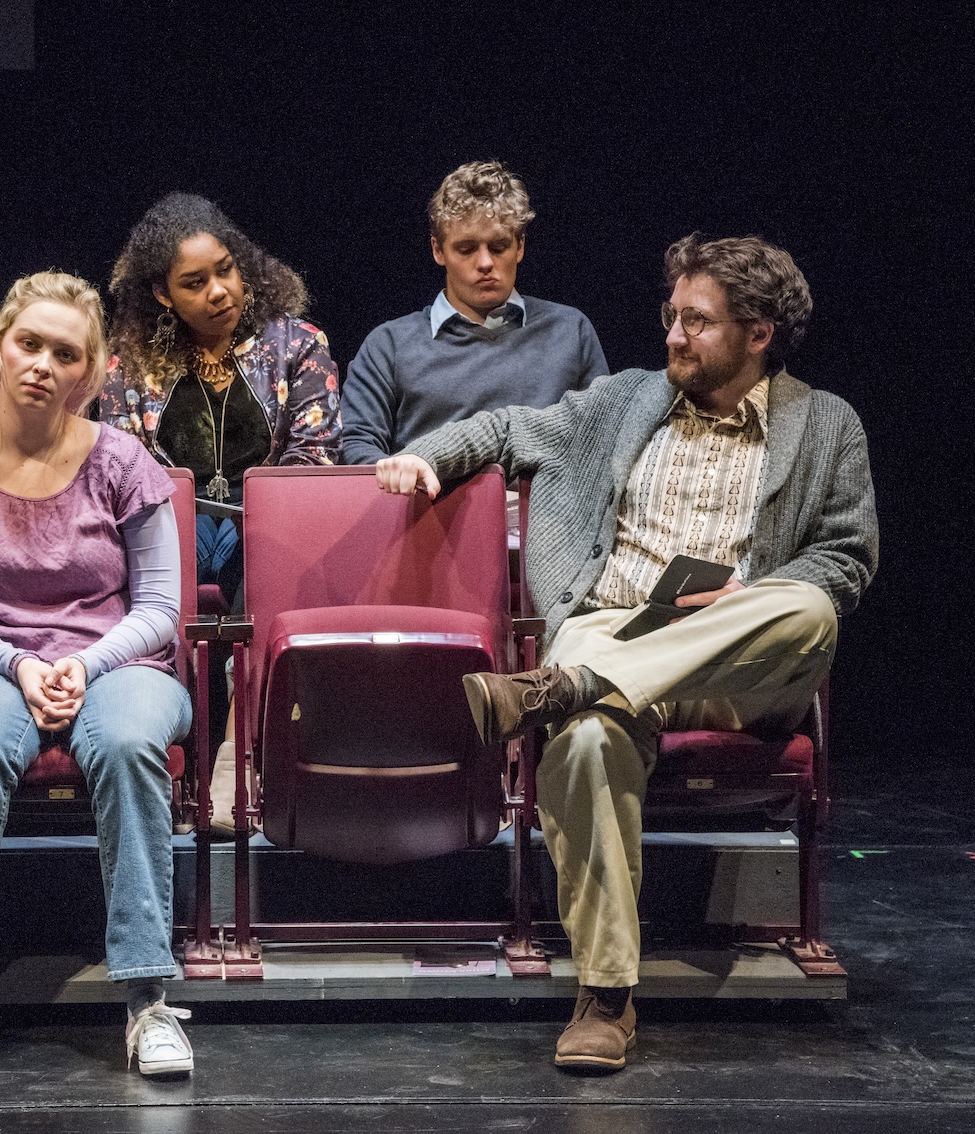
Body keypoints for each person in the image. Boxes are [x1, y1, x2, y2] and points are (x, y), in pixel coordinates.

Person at [377, 234, 876, 1073]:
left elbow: (844, 559)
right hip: (618, 629)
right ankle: (606, 995)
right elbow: (507, 426)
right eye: (671, 316)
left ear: (759, 334)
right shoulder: (623, 401)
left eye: (699, 322)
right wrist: (426, 457)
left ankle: (562, 688)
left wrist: (737, 603)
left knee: (810, 607)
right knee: (588, 739)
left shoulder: (826, 425)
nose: (675, 336)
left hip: (738, 658)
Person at [0, 271, 195, 1082]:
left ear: (90, 372)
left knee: (132, 739)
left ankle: (147, 1002)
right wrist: (23, 664)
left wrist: (79, 662)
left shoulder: (124, 462)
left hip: (120, 660)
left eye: (64, 353)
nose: (41, 363)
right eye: (28, 343)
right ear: (0, 345)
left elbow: (162, 609)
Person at [97, 191, 342, 613]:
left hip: (271, 529)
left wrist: (253, 522)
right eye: (195, 283)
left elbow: (313, 459)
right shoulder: (126, 367)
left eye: (225, 271)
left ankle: (253, 676)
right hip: (167, 530)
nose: (218, 291)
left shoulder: (298, 345)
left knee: (271, 559)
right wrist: (182, 522)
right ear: (163, 293)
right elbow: (122, 475)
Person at [343, 160, 608, 466]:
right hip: (425, 508)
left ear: (520, 246)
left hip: (541, 510)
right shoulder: (389, 345)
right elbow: (357, 446)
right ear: (438, 250)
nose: (484, 262)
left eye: (498, 247)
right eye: (466, 249)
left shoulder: (569, 332)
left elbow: (600, 440)